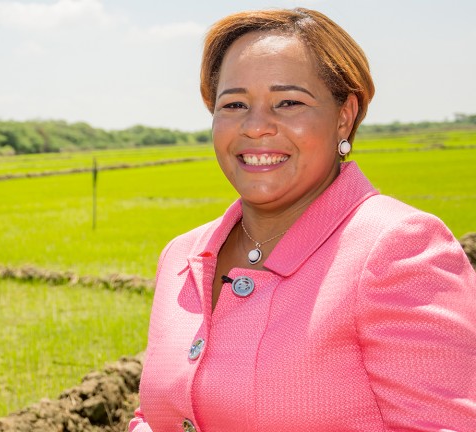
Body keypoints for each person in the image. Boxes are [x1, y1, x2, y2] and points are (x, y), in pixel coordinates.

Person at [129, 8, 476, 432]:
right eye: (234, 103)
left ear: (344, 115)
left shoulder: (398, 248)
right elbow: (155, 414)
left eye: (288, 102)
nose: (256, 127)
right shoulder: (182, 256)